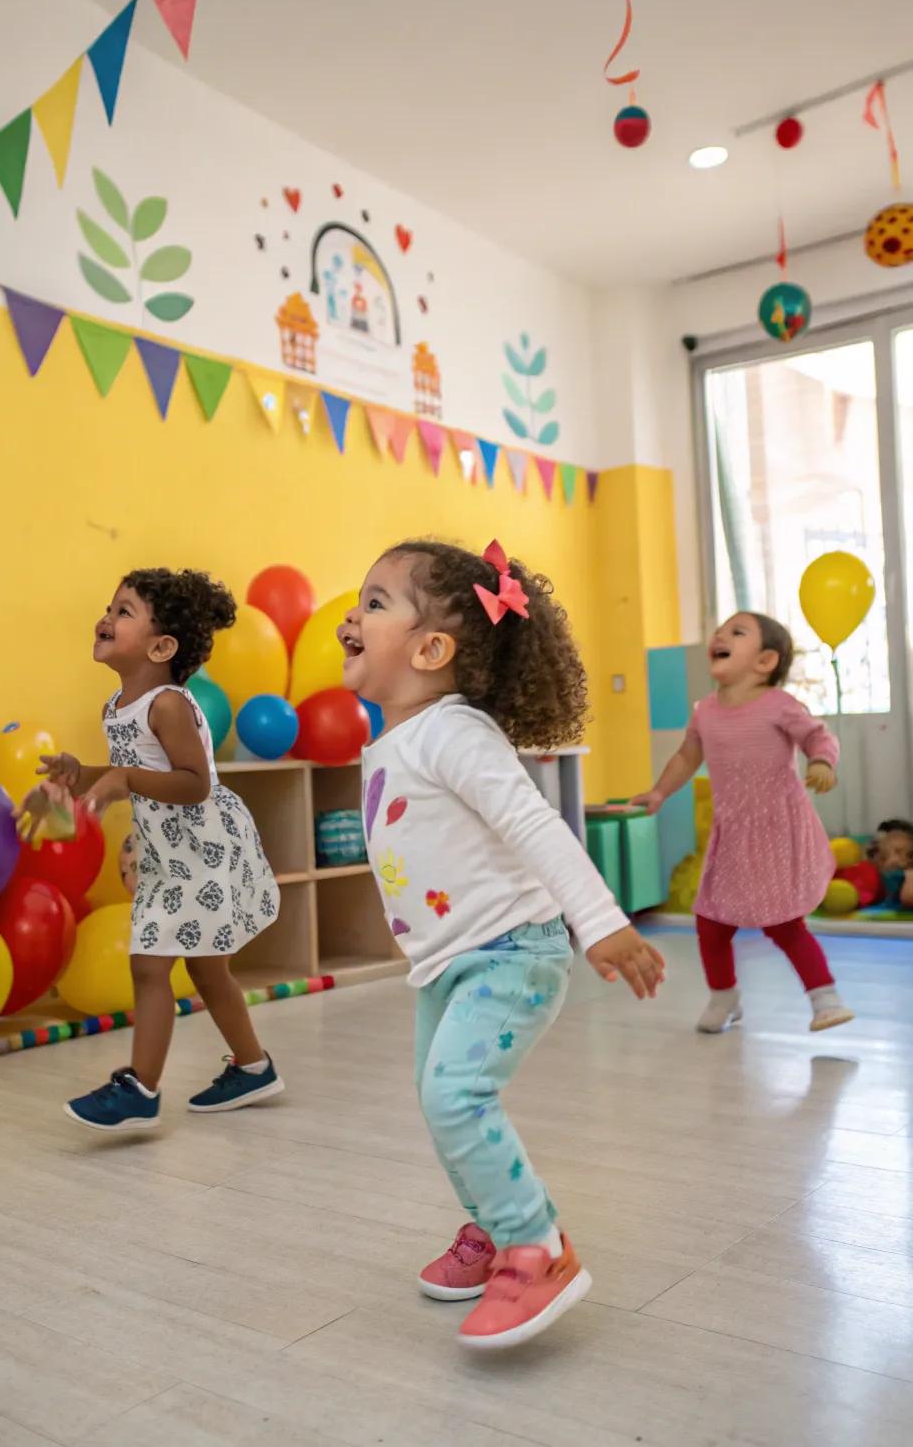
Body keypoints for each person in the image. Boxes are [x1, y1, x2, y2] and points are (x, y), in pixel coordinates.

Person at [337, 538, 664, 1352]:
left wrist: (603, 920)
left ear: (432, 648)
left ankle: (536, 1246)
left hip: (512, 953)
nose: (351, 614)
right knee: (438, 1100)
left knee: (456, 1098)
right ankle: (489, 1230)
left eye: (375, 603)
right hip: (450, 962)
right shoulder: (395, 742)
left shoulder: (454, 733)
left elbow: (534, 824)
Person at [19, 568, 284, 1130]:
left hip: (202, 851)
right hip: (170, 856)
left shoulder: (168, 705)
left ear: (162, 646)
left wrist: (125, 781)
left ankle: (141, 1088)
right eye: (109, 607)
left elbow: (195, 782)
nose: (105, 618)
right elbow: (124, 772)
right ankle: (255, 1066)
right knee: (209, 972)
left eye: (123, 612)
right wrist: (78, 775)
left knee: (148, 965)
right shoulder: (117, 707)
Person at [633, 610, 854, 1035]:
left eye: (737, 632)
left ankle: (825, 997)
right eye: (720, 630)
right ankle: (723, 995)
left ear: (765, 662)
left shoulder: (779, 705)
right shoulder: (705, 712)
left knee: (783, 922)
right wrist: (660, 791)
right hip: (732, 834)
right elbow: (686, 756)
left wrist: (823, 761)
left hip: (776, 830)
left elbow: (817, 735)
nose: (720, 635)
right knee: (711, 922)